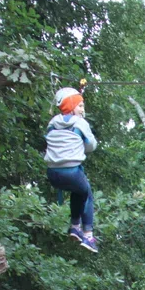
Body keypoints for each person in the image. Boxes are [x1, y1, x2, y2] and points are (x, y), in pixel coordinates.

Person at [44, 87, 100, 253]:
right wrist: (81, 144)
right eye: (80, 106)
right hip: (72, 172)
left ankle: (75, 227)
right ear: (71, 105)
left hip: (53, 174)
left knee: (78, 192)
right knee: (87, 194)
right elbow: (91, 146)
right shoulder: (80, 123)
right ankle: (88, 235)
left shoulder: (52, 123)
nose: (82, 110)